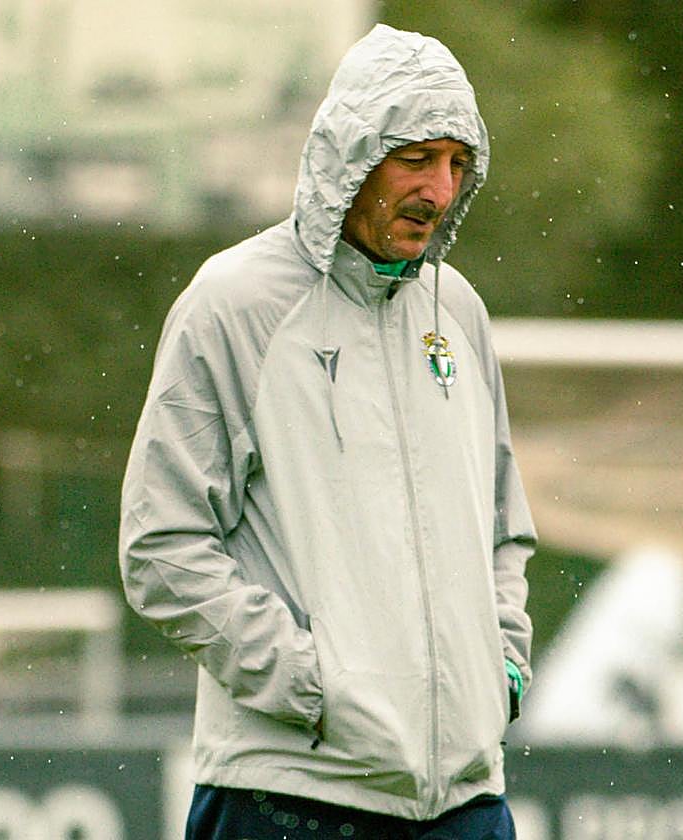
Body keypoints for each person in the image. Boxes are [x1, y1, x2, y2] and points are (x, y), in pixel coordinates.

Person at [119, 23, 535, 839]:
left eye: (458, 162)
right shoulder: (234, 305)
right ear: (350, 155)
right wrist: (317, 688)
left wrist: (501, 670)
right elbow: (161, 547)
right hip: (290, 799)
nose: (440, 190)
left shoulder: (460, 312)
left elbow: (501, 529)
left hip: (465, 805)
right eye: (416, 158)